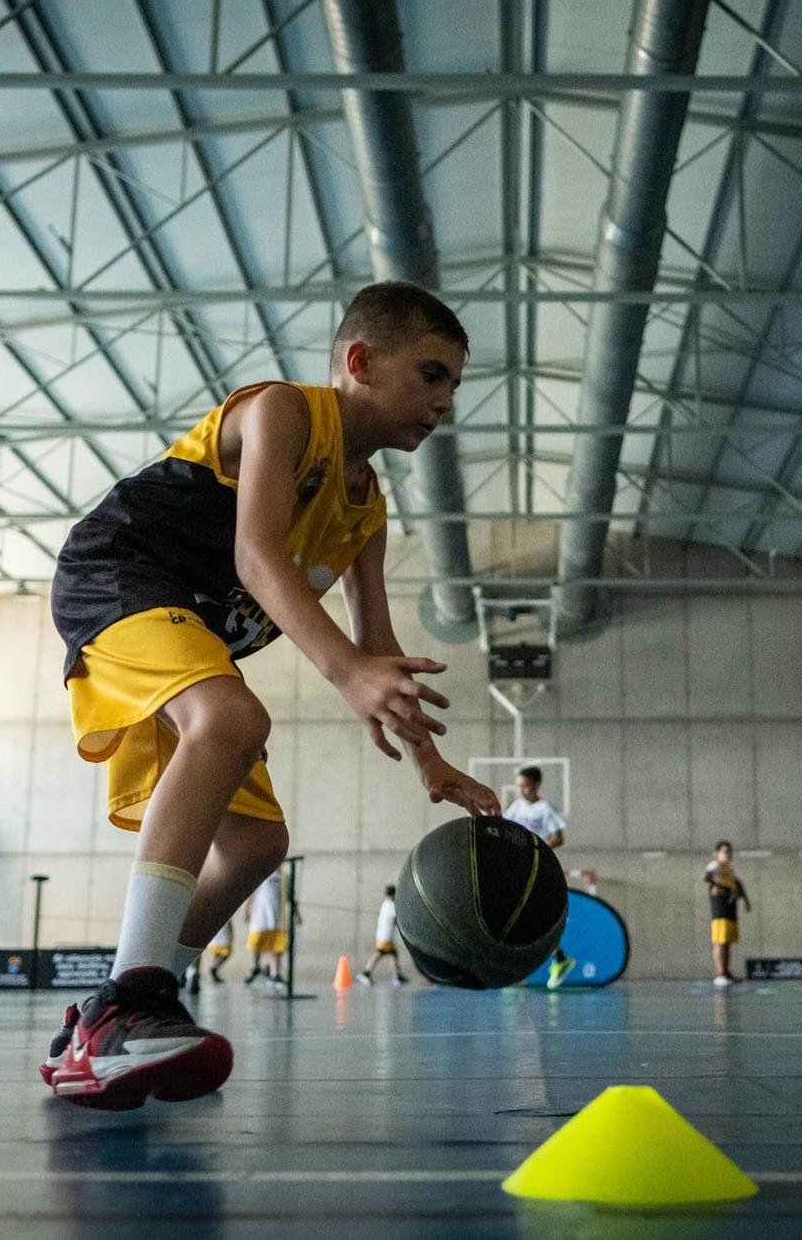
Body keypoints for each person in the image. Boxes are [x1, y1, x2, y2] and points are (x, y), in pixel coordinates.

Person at [39, 281, 499, 1108]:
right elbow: (258, 557)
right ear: (359, 361)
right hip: (117, 575)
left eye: (454, 386)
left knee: (256, 845)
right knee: (231, 714)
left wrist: (430, 763)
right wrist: (346, 673)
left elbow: (377, 648)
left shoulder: (369, 510)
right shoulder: (284, 412)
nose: (443, 401)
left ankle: (105, 1023)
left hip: (190, 628)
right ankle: (132, 1006)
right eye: (431, 375)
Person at [502, 765, 572, 988]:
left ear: (537, 785)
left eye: (526, 786)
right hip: (516, 868)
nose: (522, 790)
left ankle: (558, 958)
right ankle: (559, 958)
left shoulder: (545, 809)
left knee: (531, 917)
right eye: (519, 786)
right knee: (518, 917)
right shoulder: (516, 807)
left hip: (536, 868)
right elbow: (504, 828)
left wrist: (536, 847)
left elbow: (559, 838)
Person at [702, 840, 751, 987]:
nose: (728, 854)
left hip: (730, 903)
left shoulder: (729, 869)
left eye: (730, 852)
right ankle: (720, 973)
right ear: (716, 854)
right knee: (720, 940)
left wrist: (745, 900)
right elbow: (705, 876)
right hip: (720, 903)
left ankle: (726, 971)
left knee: (727, 941)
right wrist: (719, 885)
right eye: (725, 852)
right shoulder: (714, 865)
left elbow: (738, 883)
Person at [244, 867, 288, 991]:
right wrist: (246, 910)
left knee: (277, 947)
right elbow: (250, 892)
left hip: (277, 918)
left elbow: (287, 896)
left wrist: (296, 913)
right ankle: (256, 967)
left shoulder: (283, 876)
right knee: (256, 944)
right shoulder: (261, 872)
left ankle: (275, 974)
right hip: (260, 916)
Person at [359, 884, 405, 986]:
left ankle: (397, 975)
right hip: (386, 935)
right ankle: (366, 973)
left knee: (393, 954)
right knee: (379, 953)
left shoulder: (386, 904)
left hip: (385, 934)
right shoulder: (391, 906)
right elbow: (397, 918)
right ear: (394, 894)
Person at [201, 921, 233, 987]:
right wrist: (230, 934)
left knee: (217, 954)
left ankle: (214, 971)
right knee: (226, 952)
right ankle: (213, 967)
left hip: (215, 936)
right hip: (222, 935)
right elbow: (228, 923)